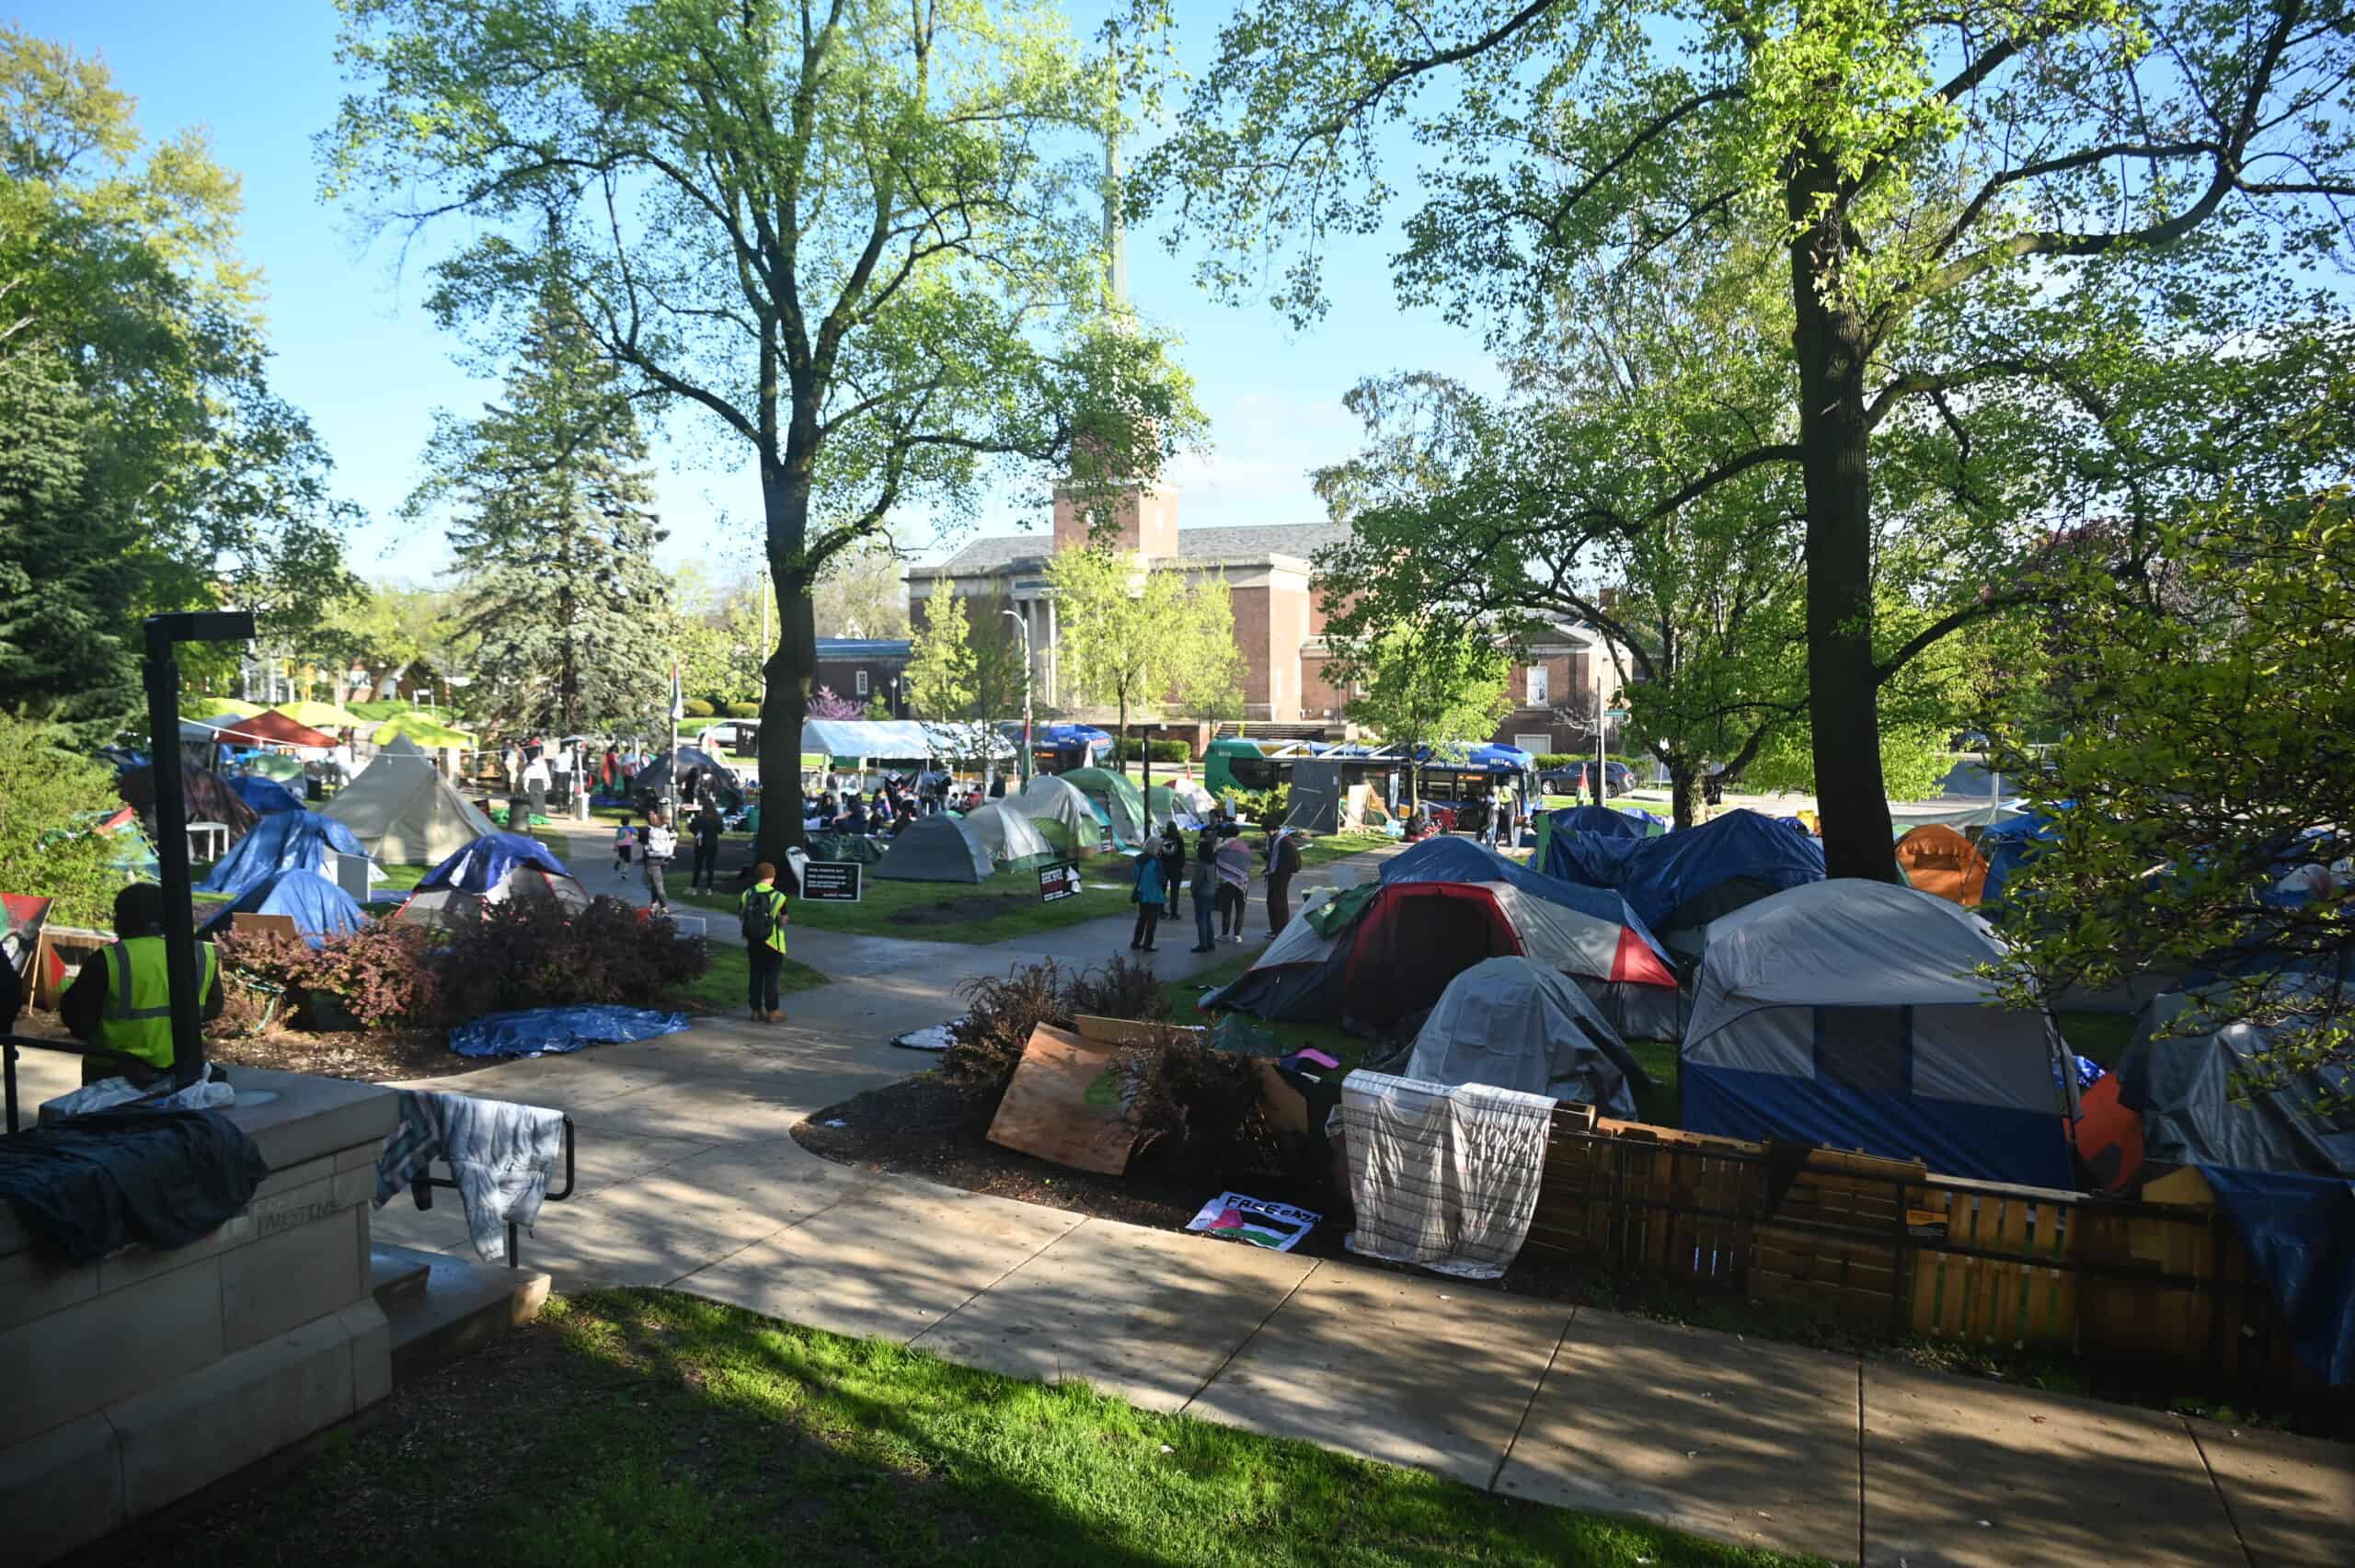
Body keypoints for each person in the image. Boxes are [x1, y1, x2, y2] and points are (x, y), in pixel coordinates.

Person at [61, 884, 224, 1087]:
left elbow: (76, 1017)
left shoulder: (109, 959)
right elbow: (214, 1007)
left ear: (122, 920)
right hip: (182, 1070)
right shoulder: (200, 954)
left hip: (113, 1074)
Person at [738, 861, 791, 1024]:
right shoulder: (779, 897)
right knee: (771, 978)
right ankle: (772, 1011)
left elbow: (741, 916)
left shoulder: (746, 894)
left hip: (753, 942)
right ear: (772, 878)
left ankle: (755, 1011)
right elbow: (782, 921)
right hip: (773, 943)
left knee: (755, 975)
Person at [1213, 825, 1252, 942]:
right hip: (1242, 882)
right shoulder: (1244, 847)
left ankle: (1224, 934)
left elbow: (1217, 862)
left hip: (1226, 882)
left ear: (1226, 833)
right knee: (1240, 909)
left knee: (1226, 909)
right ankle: (1237, 935)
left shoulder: (1222, 847)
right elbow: (1247, 863)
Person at [1128, 842, 1168, 953]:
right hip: (1154, 894)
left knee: (1142, 918)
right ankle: (1148, 944)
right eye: (1159, 847)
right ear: (1155, 848)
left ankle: (1136, 942)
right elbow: (1161, 880)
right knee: (1152, 921)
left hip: (1142, 893)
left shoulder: (1139, 859)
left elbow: (1135, 876)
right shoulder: (1156, 862)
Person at [1265, 823, 1303, 934]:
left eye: (1269, 830)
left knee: (1279, 902)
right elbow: (1273, 857)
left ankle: (1281, 930)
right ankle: (1274, 928)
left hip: (1281, 876)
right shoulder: (1272, 839)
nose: (1267, 833)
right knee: (1271, 901)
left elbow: (1291, 860)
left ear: (1276, 829)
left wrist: (1279, 870)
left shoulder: (1284, 840)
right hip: (1273, 874)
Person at [639, 808, 677, 913]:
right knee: (655, 884)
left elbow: (642, 842)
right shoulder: (667, 829)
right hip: (665, 859)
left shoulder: (644, 830)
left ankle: (664, 907)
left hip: (651, 860)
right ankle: (653, 904)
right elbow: (673, 839)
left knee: (658, 885)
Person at [1188, 830, 1219, 953]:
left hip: (1202, 893)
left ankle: (1203, 944)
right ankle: (1211, 942)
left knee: (1200, 919)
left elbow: (1197, 880)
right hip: (1211, 891)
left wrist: (1193, 890)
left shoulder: (1201, 864)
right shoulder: (1212, 862)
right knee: (1208, 918)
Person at [689, 799, 725, 894]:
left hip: (701, 843)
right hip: (713, 843)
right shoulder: (717, 818)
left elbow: (691, 827)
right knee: (710, 866)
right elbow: (721, 830)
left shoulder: (700, 818)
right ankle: (709, 888)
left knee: (698, 866)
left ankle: (694, 887)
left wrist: (697, 832)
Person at [612, 811, 636, 877]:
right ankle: (624, 873)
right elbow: (636, 833)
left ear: (621, 822)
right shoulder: (630, 828)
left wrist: (615, 846)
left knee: (621, 856)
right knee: (627, 860)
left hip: (620, 845)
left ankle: (618, 862)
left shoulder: (619, 829)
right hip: (627, 845)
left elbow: (617, 838)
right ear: (629, 822)